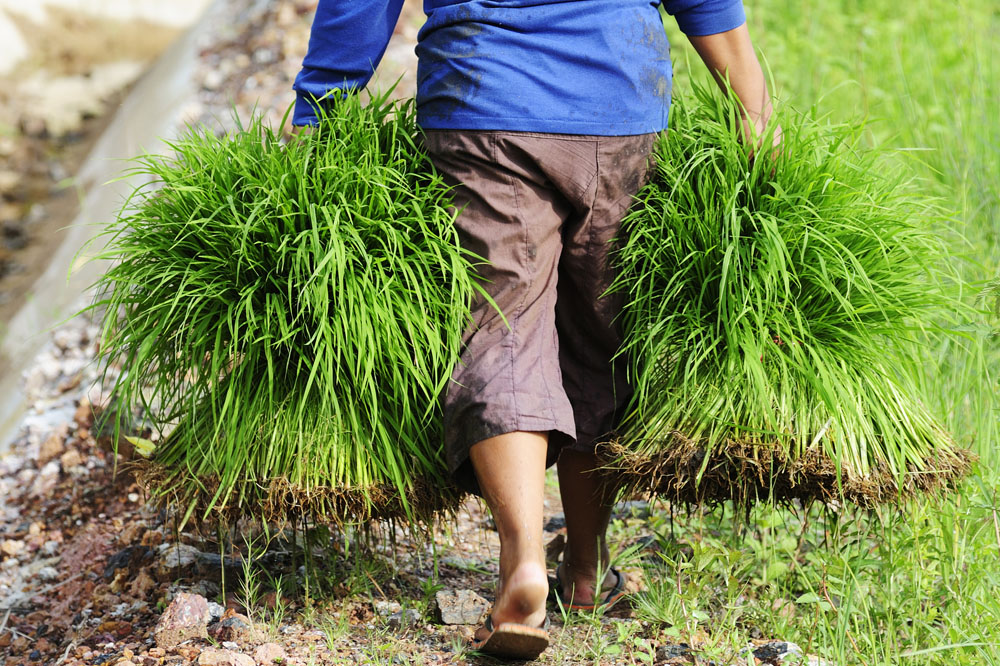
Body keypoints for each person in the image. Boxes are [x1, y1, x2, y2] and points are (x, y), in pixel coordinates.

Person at [293, 0, 778, 659]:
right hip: (618, 103)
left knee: (501, 328)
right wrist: (749, 102)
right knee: (603, 338)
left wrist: (320, 107)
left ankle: (522, 560)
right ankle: (585, 572)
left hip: (484, 103)